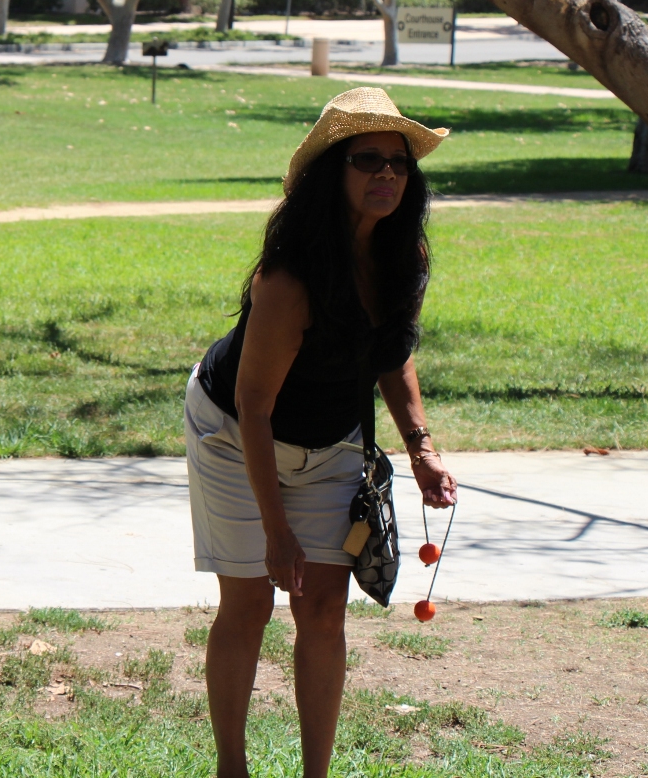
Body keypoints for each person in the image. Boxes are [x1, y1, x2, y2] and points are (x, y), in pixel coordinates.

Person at [184, 87, 459, 778]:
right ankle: (231, 769)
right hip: (233, 431)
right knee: (249, 600)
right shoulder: (290, 277)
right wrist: (276, 531)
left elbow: (390, 352)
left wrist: (421, 448)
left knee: (324, 606)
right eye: (367, 160)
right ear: (333, 173)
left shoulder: (404, 255)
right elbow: (253, 404)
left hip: (333, 441)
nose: (386, 175)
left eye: (398, 164)